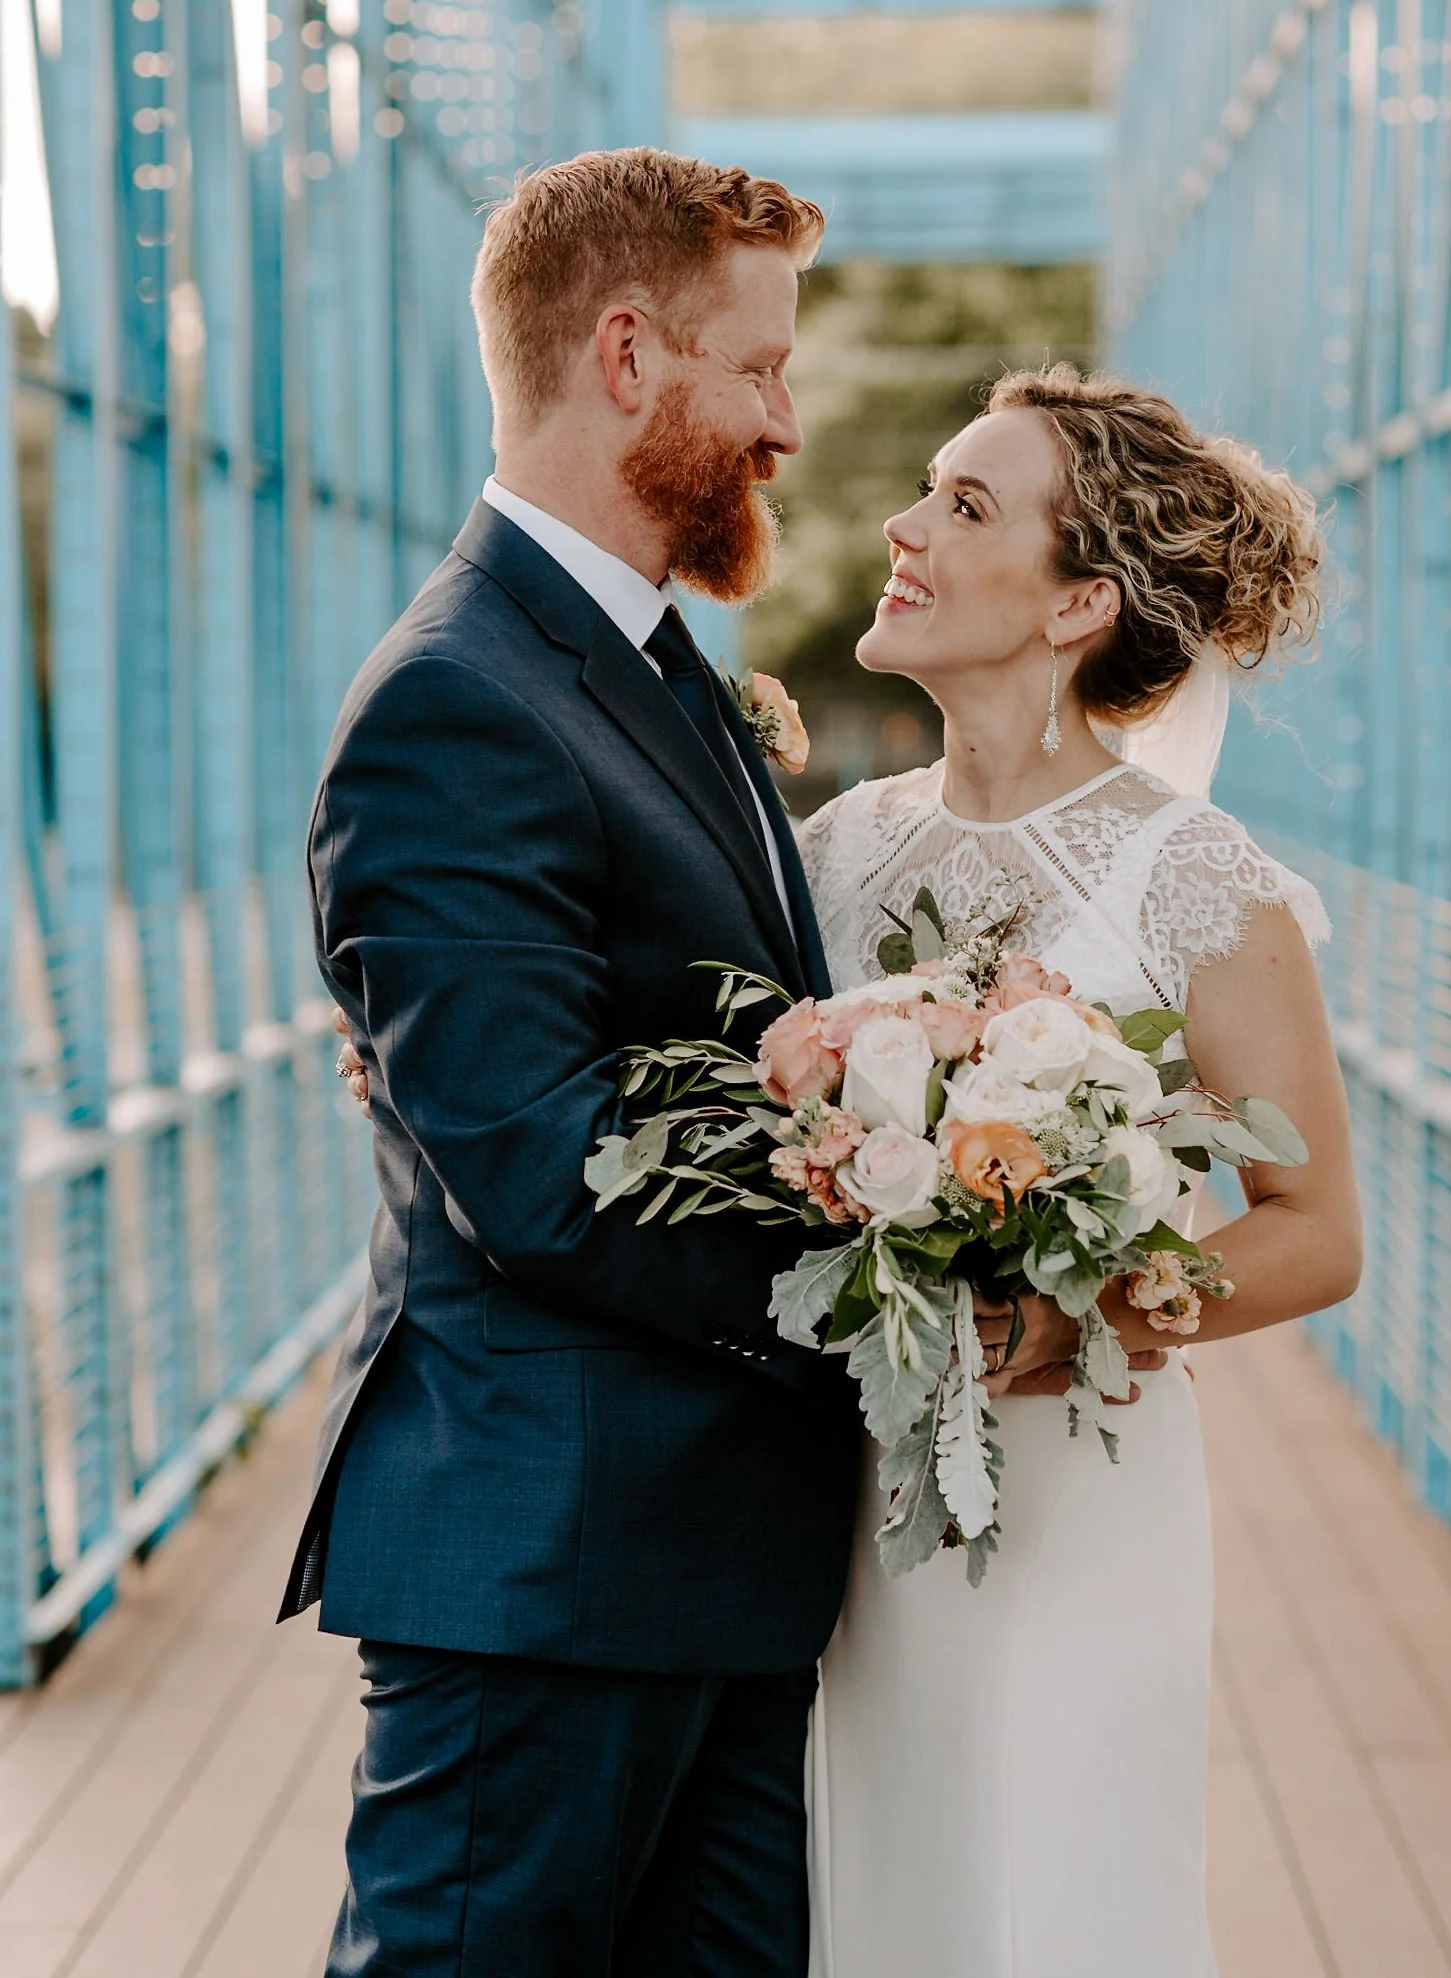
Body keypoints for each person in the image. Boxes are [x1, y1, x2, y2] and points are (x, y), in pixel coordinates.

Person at [281, 148, 862, 1976]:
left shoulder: (656, 668)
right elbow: (541, 1166)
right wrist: (880, 1282)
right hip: (549, 1560)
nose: (784, 423)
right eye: (757, 368)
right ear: (626, 354)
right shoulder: (458, 699)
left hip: (714, 1558)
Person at [797, 366, 1362, 1976]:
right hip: (850, 1495)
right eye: (928, 488)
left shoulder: (1196, 878)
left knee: (1055, 1900)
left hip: (1077, 1491)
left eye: (966, 504)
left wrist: (1086, 1304)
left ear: (1078, 603)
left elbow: (1316, 1231)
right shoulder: (834, 854)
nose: (905, 525)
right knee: (877, 1894)